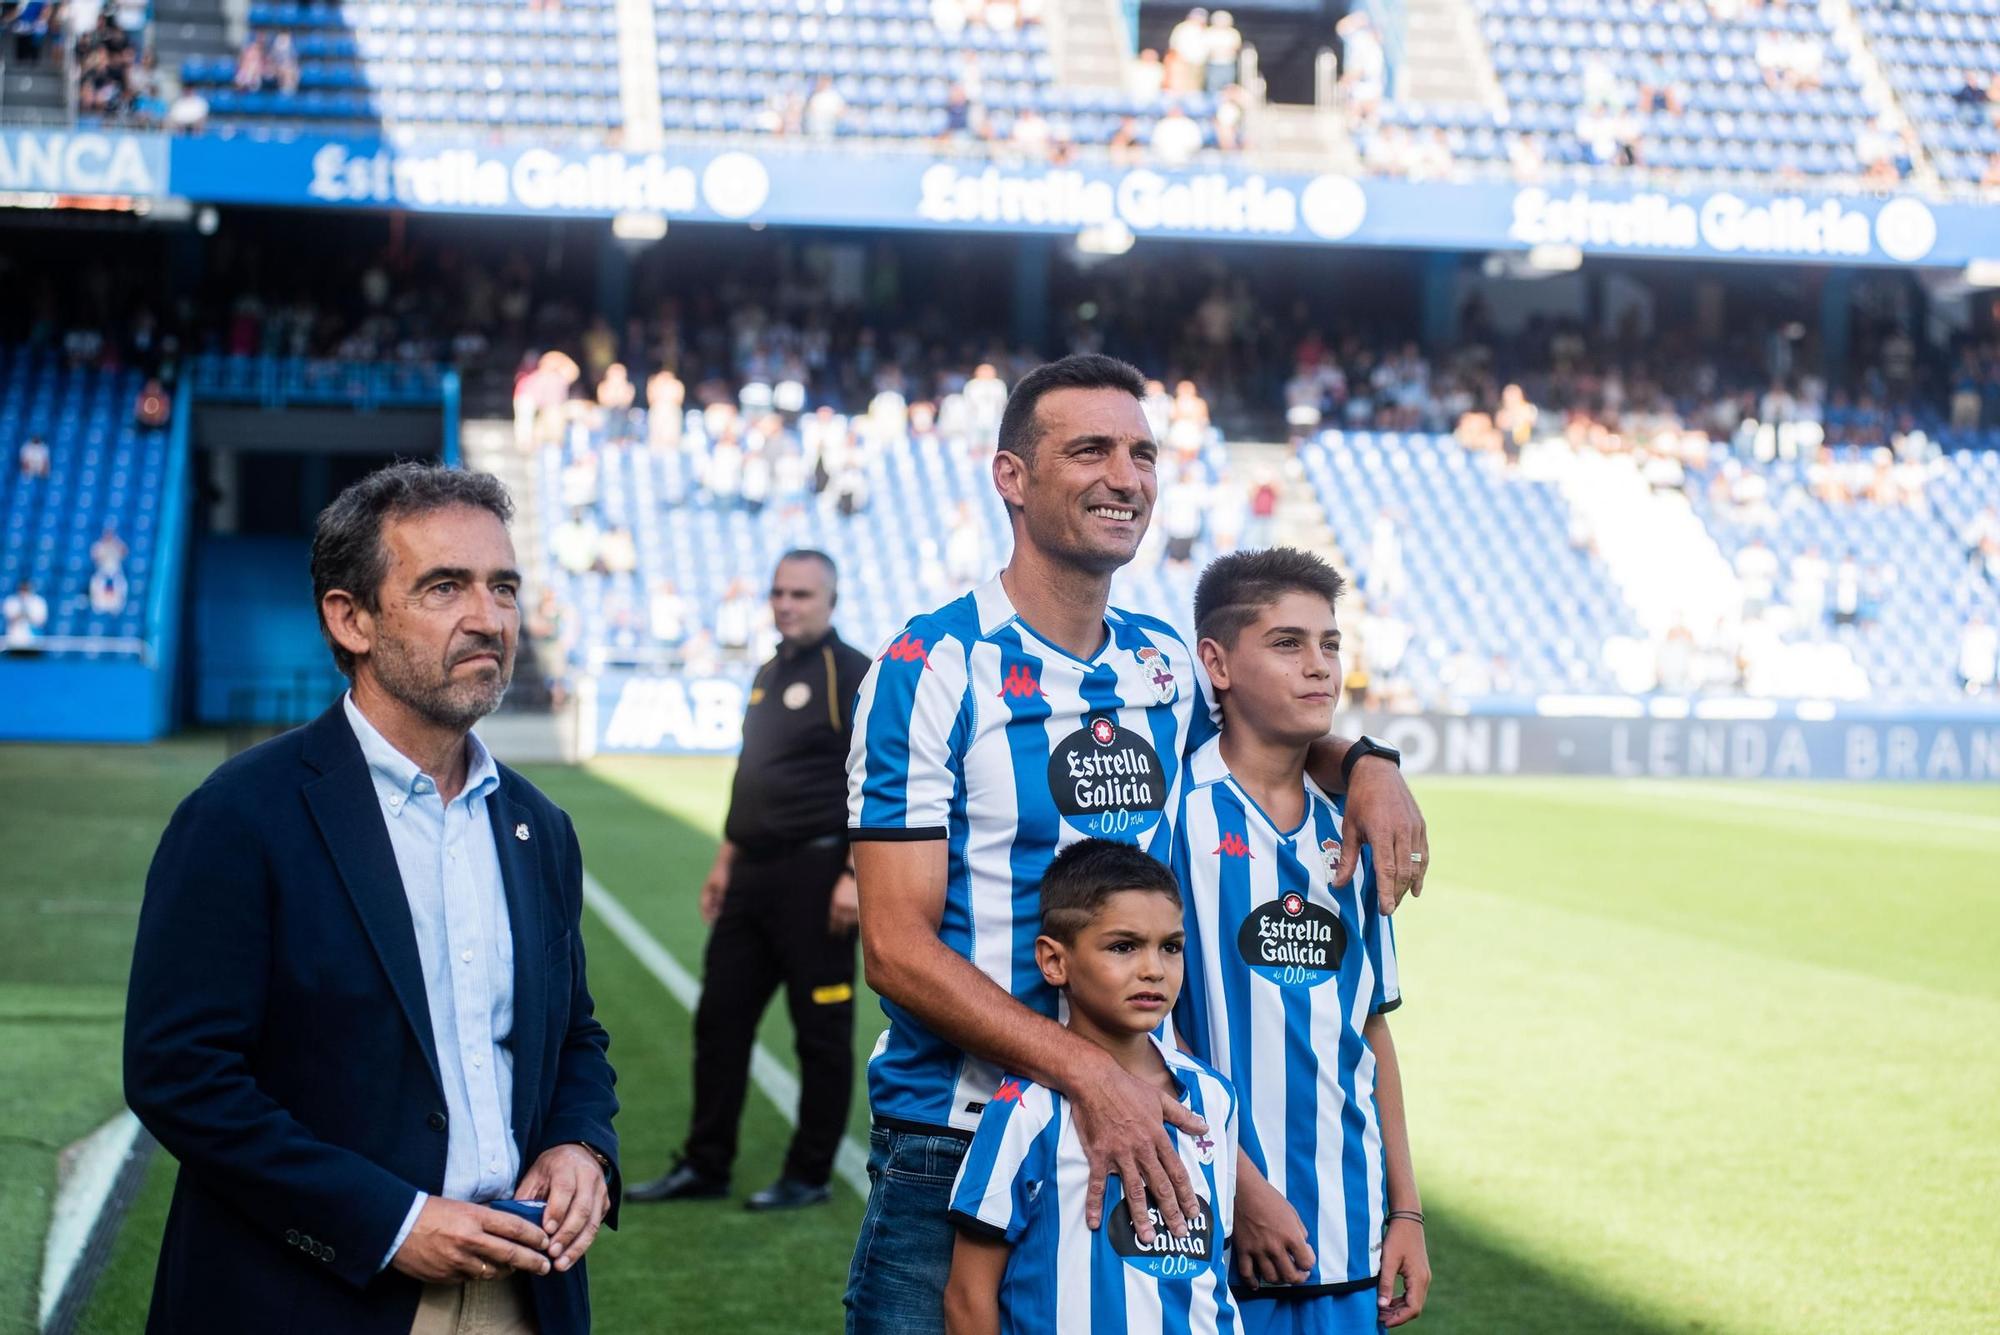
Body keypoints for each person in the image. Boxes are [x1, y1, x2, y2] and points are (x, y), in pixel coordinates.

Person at [843, 354, 1428, 1333]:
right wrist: (1091, 1077)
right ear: (1012, 479)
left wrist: (1368, 762)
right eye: (1089, 451)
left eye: (1141, 453)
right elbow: (896, 951)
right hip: (961, 1130)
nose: (1125, 477)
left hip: (1147, 1130)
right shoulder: (931, 666)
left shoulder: (1160, 663)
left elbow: (1273, 736)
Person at [123, 463, 620, 1335]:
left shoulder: (538, 828)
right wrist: (388, 1222)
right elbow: (181, 1074)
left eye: (502, 586)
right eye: (444, 586)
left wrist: (582, 1143)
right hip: (314, 1295)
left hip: (522, 1292)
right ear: (349, 618)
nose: (488, 617)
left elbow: (573, 1034)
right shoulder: (241, 815)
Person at [1172, 549, 1428, 1333]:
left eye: (1329, 644)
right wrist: (1238, 1185)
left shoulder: (1354, 825)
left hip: (1349, 1239)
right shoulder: (1169, 815)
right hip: (1207, 1234)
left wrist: (1406, 1212)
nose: (1319, 667)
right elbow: (1140, 1032)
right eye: (1287, 644)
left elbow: (1370, 1024)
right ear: (1215, 661)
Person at [628, 551, 874, 1211]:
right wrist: (725, 859)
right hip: (752, 875)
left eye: (801, 593)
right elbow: (752, 774)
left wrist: (854, 873)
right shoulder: (769, 671)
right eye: (777, 592)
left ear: (831, 598)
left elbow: (876, 780)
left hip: (817, 875)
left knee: (819, 1029)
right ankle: (706, 1162)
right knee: (719, 1020)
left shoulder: (850, 671)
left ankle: (810, 1170)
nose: (786, 603)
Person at [943, 840, 1241, 1334]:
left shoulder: (1214, 1098)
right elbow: (967, 1297)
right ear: (1055, 962)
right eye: (1124, 946)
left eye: (1170, 946)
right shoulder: (1026, 1109)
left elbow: (1214, 1274)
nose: (1153, 968)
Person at [4, 578, 48, 651]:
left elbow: (41, 622)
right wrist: (21, 611)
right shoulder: (11, 601)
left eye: (26, 589)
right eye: (22, 589)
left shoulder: (39, 602)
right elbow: (9, 619)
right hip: (15, 641)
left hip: (34, 641)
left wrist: (27, 613)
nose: (24, 592)